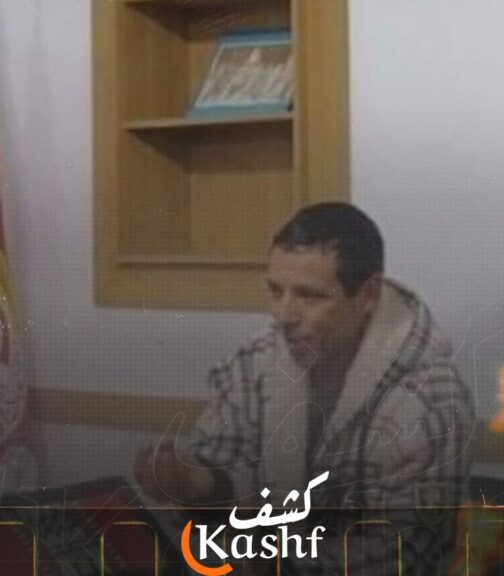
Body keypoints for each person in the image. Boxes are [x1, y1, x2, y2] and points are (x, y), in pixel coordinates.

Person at [134, 202, 474, 574]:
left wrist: (266, 561)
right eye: (275, 290)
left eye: (309, 296)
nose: (283, 315)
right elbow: (233, 476)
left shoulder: (428, 399)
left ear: (369, 294)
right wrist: (198, 482)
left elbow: (399, 561)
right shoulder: (255, 361)